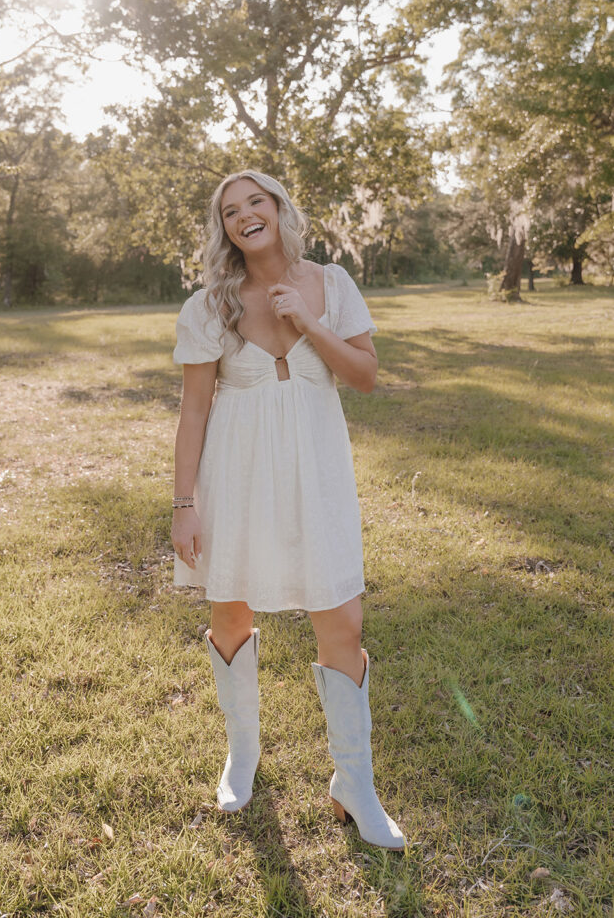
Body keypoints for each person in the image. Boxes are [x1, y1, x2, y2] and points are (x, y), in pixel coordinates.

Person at [170, 170, 405, 850]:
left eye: (256, 202)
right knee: (231, 608)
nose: (246, 214)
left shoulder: (330, 284)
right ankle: (242, 755)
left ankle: (352, 783)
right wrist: (184, 504)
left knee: (342, 617)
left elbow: (362, 375)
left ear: (278, 210)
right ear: (224, 228)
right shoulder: (208, 305)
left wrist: (305, 322)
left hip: (317, 474)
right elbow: (192, 412)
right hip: (233, 476)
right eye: (231, 209)